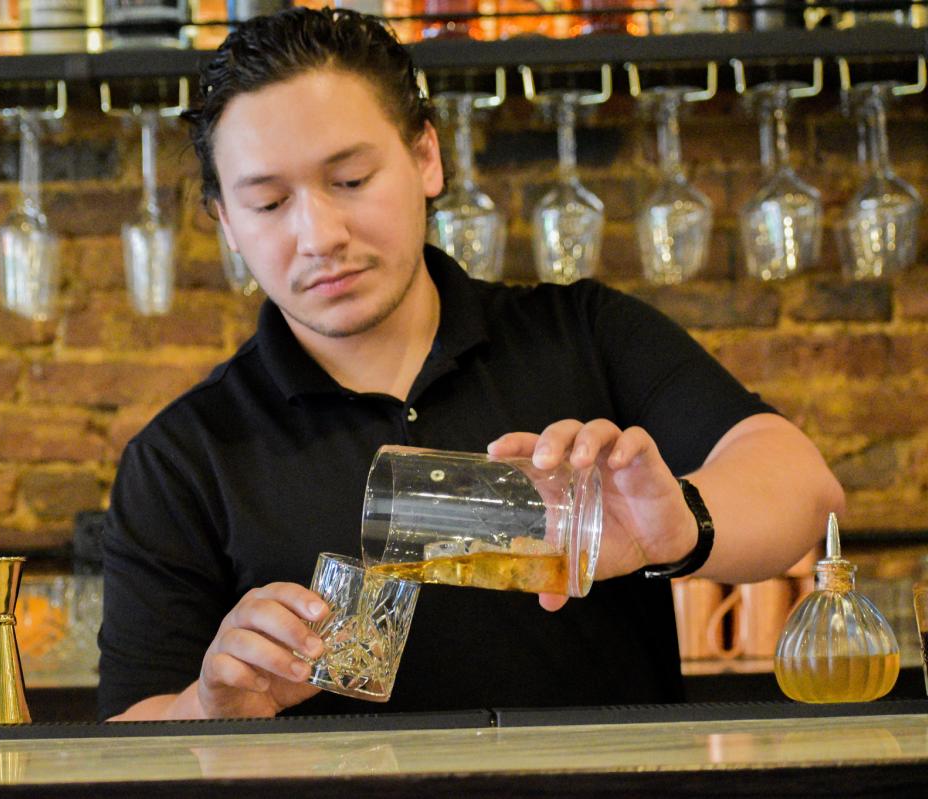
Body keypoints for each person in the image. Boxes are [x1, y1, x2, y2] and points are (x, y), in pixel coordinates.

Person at [96, 7, 844, 722]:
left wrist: (678, 526)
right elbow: (127, 732)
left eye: (351, 180)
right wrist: (209, 706)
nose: (318, 234)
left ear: (426, 155)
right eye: (266, 203)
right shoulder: (183, 456)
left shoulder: (581, 332)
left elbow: (804, 485)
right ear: (225, 221)